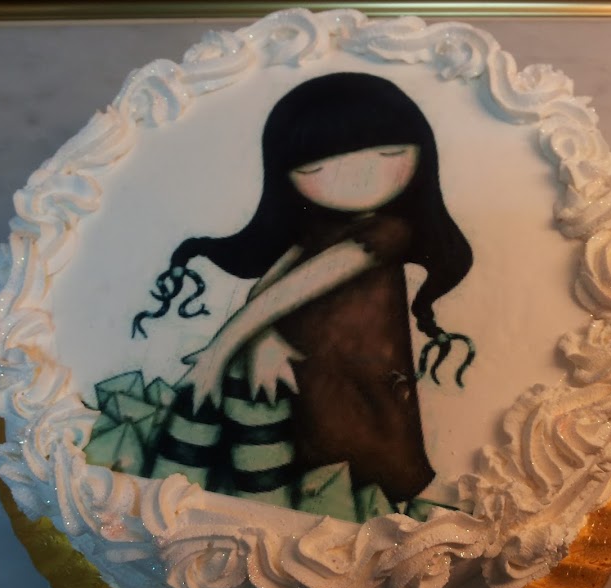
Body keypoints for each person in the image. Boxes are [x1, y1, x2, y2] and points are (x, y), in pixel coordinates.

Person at [133, 72, 474, 508]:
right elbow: (268, 290)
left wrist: (220, 351)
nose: (358, 175)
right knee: (280, 428)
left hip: (359, 367)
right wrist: (262, 340)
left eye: (388, 154)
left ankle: (393, 493)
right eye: (319, 166)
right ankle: (183, 494)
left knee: (369, 441)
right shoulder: (317, 228)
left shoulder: (388, 231)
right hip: (298, 361)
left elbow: (293, 289)